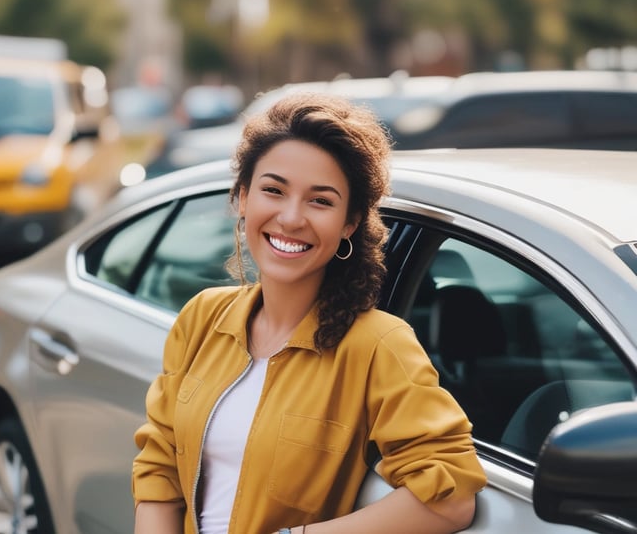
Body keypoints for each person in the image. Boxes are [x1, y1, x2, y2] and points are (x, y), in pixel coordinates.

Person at [132, 91, 487, 534]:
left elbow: (450, 497)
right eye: (273, 190)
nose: (291, 217)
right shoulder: (202, 318)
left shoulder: (376, 344)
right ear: (243, 198)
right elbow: (159, 469)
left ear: (349, 224)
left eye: (320, 201)